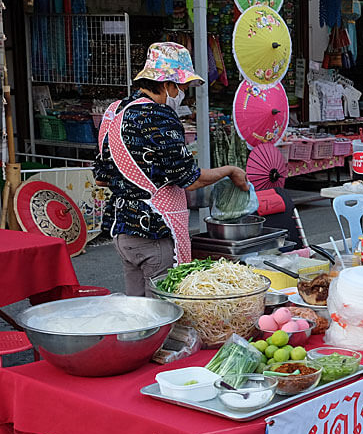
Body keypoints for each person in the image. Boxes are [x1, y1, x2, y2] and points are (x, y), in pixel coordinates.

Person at [93, 43, 248, 296]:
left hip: (123, 233)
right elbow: (190, 179)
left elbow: (102, 179)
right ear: (167, 85)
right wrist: (230, 170)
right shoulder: (159, 116)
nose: (183, 94)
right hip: (154, 231)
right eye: (182, 88)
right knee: (164, 311)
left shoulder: (113, 111)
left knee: (137, 312)